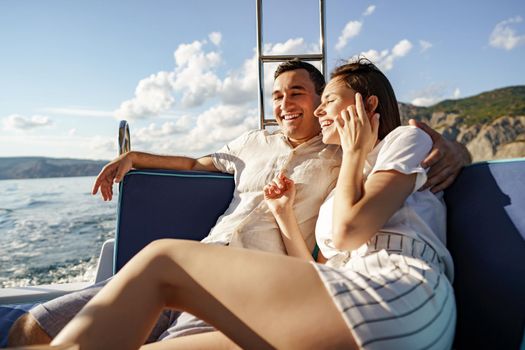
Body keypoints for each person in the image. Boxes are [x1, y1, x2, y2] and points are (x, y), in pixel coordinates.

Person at [8, 59, 466, 347]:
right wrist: (134, 158)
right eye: (278, 95)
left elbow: (401, 148)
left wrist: (447, 144)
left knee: (163, 259)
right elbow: (193, 163)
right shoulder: (254, 142)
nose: (286, 104)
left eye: (305, 95)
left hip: (263, 288)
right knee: (31, 329)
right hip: (234, 264)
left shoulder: (342, 156)